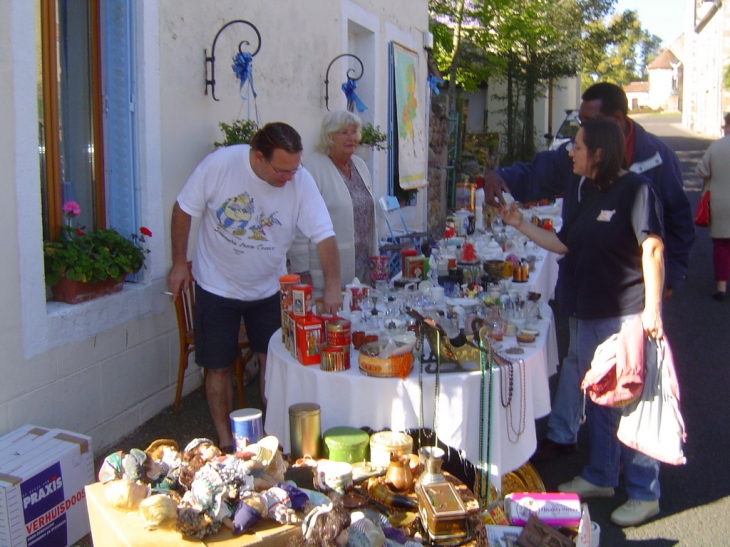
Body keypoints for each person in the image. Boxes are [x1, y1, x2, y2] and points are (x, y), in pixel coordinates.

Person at [483, 82, 694, 461]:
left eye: (582, 133)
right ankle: (585, 454)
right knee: (586, 370)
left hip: (626, 301)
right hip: (585, 293)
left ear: (610, 128)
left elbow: (665, 235)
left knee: (630, 384)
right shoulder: (585, 177)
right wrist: (508, 190)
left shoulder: (651, 168)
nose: (570, 149)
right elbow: (561, 227)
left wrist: (662, 292)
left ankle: (641, 479)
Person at [500, 118, 665, 526]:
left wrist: (653, 311)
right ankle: (602, 475)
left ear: (599, 153)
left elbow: (654, 250)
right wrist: (520, 223)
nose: (569, 152)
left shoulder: (636, 190)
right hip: (590, 314)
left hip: (626, 317)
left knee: (631, 405)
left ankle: (646, 493)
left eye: (576, 146)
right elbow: (563, 243)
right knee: (600, 402)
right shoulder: (588, 191)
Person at [167, 122, 342, 451]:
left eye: (295, 169)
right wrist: (179, 262)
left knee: (272, 361)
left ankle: (267, 434)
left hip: (268, 289)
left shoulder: (298, 179)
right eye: (282, 170)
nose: (288, 178)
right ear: (258, 157)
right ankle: (225, 439)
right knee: (217, 367)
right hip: (217, 286)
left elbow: (324, 235)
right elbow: (183, 208)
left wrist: (333, 284)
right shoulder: (221, 165)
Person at [288, 110, 377, 292]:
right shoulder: (312, 168)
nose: (351, 138)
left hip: (361, 264)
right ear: (329, 136)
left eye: (354, 132)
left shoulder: (360, 166)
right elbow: (297, 222)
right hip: (323, 271)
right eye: (344, 133)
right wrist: (301, 269)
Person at [696, 112, 730, 301]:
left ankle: (721, 287)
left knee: (722, 246)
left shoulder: (717, 146)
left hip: (722, 202)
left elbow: (701, 169)